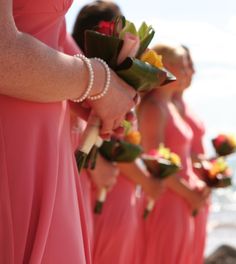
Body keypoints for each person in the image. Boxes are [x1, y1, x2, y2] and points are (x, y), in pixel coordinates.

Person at [0, 0, 138, 262]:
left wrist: (106, 94)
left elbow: (56, 35)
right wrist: (98, 82)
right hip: (13, 136)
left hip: (51, 132)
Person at [71, 2, 162, 263]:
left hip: (117, 194)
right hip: (97, 190)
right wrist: (96, 162)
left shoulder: (116, 81)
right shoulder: (81, 77)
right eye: (118, 27)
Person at [138, 44, 210, 264]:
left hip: (181, 198)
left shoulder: (168, 105)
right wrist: (190, 194)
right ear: (165, 67)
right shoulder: (154, 107)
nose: (189, 72)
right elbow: (154, 163)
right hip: (169, 200)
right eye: (183, 66)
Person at [173, 46, 210, 264]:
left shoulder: (183, 104)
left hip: (196, 187)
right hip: (182, 189)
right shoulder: (168, 105)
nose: (192, 72)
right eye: (186, 66)